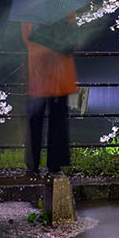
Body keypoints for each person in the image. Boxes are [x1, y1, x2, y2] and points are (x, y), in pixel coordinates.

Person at [21, 13, 78, 176]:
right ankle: (55, 164)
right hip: (61, 71)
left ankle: (33, 164)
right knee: (58, 121)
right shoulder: (66, 10)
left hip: (38, 70)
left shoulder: (30, 10)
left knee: (34, 120)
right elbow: (72, 36)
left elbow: (26, 40)